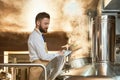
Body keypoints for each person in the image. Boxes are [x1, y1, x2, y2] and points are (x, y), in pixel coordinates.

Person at [28, 12, 63, 80]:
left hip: (41, 68)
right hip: (38, 69)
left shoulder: (39, 35)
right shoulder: (35, 36)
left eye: (48, 24)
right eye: (45, 23)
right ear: (38, 23)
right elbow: (43, 56)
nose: (47, 26)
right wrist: (57, 55)